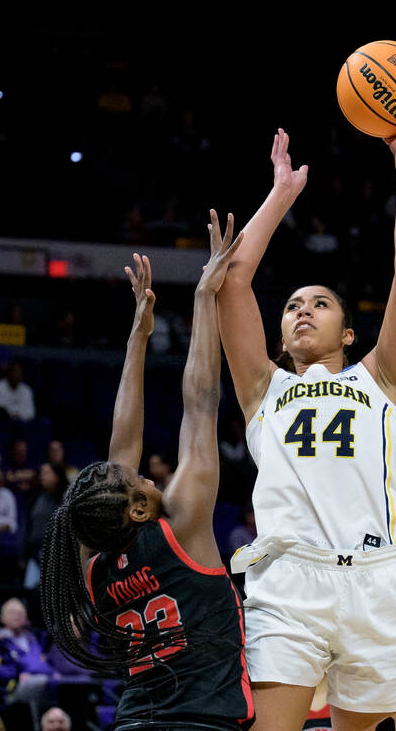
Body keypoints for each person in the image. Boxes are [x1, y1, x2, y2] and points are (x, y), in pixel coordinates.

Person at [217, 106, 396, 730]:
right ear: (282, 330)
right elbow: (234, 281)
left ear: (348, 331)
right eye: (291, 306)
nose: (303, 311)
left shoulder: (382, 378)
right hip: (289, 580)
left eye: (320, 304)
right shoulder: (263, 386)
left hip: (375, 580)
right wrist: (281, 193)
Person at [39, 216, 252, 730]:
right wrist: (205, 296)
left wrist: (137, 338)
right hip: (202, 720)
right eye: (143, 484)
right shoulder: (180, 528)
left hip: (136, 720)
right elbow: (201, 403)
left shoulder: (91, 565)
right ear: (136, 507)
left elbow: (122, 446)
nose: (151, 478)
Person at [0, 599, 52, 727]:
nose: (18, 615)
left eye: (21, 613)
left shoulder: (31, 638)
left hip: (39, 681)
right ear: (2, 618)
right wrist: (17, 675)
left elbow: (42, 663)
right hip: (11, 689)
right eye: (12, 612)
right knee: (41, 682)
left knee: (61, 684)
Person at [21, 462, 67, 589]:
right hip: (35, 555)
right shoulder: (35, 497)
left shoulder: (66, 499)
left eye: (47, 473)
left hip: (59, 558)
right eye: (42, 473)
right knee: (30, 592)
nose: (43, 476)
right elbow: (27, 527)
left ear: (57, 476)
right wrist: (22, 554)